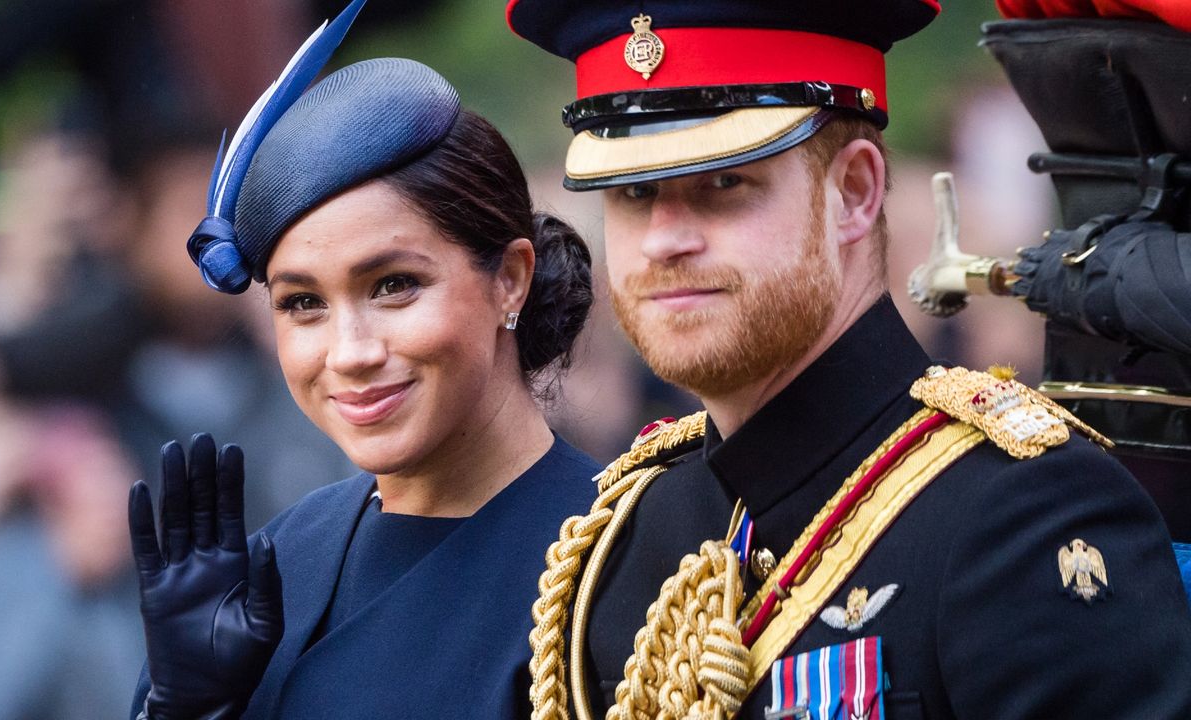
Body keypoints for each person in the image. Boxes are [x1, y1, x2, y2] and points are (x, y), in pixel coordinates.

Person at [505, 1, 1191, 718]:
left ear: (854, 194)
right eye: (635, 193)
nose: (663, 240)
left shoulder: (1026, 517)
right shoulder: (628, 532)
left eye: (723, 184)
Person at [125, 5, 599, 718]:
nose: (350, 353)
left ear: (510, 279)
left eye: (394, 286)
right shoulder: (276, 565)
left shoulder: (617, 561)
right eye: (302, 304)